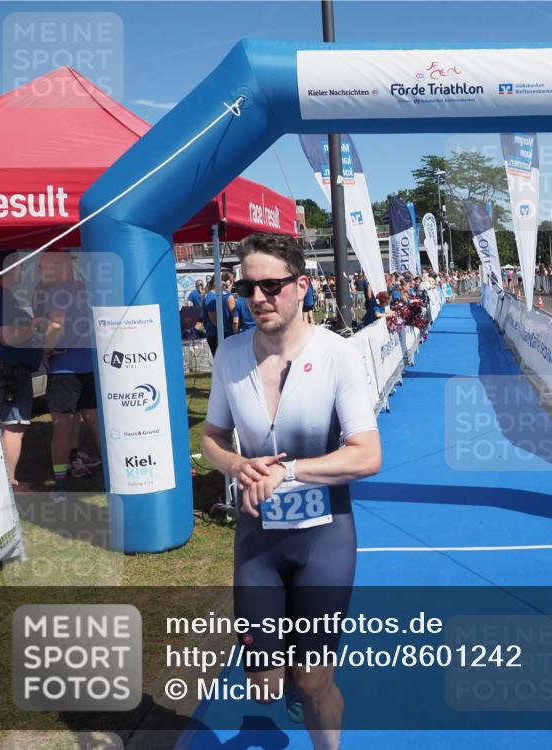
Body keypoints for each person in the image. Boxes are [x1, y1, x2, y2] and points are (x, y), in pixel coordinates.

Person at [201, 233, 381, 750]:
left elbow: (367, 454)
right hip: (258, 543)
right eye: (247, 287)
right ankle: (288, 685)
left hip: (324, 539)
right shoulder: (230, 355)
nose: (258, 298)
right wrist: (237, 464)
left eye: (271, 286)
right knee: (263, 685)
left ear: (301, 286)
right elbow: (212, 439)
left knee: (312, 679)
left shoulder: (336, 353)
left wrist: (290, 471)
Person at [0, 251, 56, 488]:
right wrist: (36, 325)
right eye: (20, 266)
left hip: (1, 370)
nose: (24, 271)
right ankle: (8, 487)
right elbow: (8, 337)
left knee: (2, 425)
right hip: (7, 372)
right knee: (13, 426)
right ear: (10, 268)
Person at [34, 251, 103, 499]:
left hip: (65, 369)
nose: (41, 271)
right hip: (90, 365)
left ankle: (61, 485)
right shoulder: (87, 288)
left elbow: (55, 324)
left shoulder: (57, 292)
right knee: (96, 422)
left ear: (58, 266)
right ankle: (111, 474)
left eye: (43, 266)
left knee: (62, 428)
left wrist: (46, 350)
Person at [203, 273, 236, 355]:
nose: (224, 282)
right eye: (222, 280)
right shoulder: (211, 296)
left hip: (220, 333)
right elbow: (213, 318)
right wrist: (223, 331)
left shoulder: (220, 294)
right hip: (214, 334)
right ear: (215, 282)